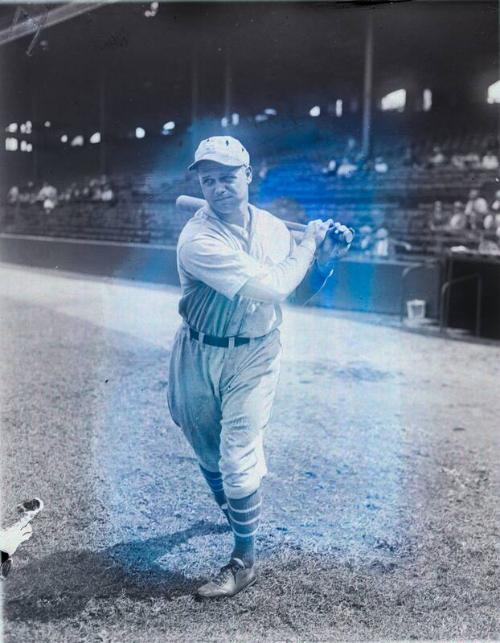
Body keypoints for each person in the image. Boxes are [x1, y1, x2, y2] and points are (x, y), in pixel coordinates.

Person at [167, 136, 350, 599]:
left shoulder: (273, 230)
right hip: (198, 351)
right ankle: (233, 510)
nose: (217, 187)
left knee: (237, 456)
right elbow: (273, 287)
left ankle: (243, 558)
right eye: (208, 180)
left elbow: (297, 292)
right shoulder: (197, 238)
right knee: (208, 452)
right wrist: (309, 243)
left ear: (249, 175)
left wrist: (322, 260)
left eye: (227, 176)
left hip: (255, 352)